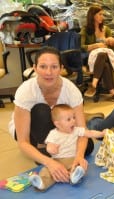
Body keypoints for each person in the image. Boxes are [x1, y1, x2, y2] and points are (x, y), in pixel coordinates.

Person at [8, 46, 94, 185]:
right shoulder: (26, 91)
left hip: (56, 129)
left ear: (61, 68)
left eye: (54, 67)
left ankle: (51, 152)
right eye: (43, 66)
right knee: (41, 111)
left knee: (88, 146)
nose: (48, 72)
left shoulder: (71, 90)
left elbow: (82, 131)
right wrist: (49, 163)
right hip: (31, 131)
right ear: (34, 68)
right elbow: (23, 142)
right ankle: (43, 151)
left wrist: (78, 156)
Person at [29, 104, 107, 191]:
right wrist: (51, 149)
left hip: (73, 159)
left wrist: (101, 134)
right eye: (69, 119)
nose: (73, 121)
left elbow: (89, 133)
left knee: (81, 167)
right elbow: (49, 146)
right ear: (58, 124)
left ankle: (75, 177)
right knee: (46, 171)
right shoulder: (53, 134)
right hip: (57, 161)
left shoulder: (76, 130)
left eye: (74, 117)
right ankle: (41, 183)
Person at [80, 5, 114, 101]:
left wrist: (111, 42)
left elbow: (111, 47)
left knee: (103, 55)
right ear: (93, 16)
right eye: (100, 14)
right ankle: (112, 93)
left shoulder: (106, 30)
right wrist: (97, 45)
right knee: (105, 64)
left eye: (103, 14)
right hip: (90, 59)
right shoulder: (85, 30)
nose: (102, 17)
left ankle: (94, 83)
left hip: (104, 55)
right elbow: (81, 47)